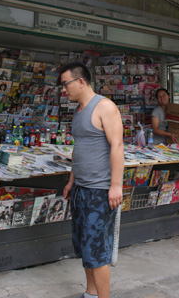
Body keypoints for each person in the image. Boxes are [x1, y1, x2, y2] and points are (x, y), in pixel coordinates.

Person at [59, 62, 123, 298]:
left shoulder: (105, 107)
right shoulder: (78, 112)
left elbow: (117, 146)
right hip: (80, 190)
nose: (63, 89)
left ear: (81, 81)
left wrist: (115, 186)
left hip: (100, 191)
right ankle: (90, 293)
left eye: (66, 84)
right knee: (85, 248)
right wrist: (71, 181)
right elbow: (80, 149)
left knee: (97, 252)